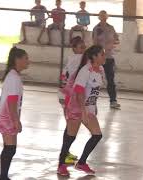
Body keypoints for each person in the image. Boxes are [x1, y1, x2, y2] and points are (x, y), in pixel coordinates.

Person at [57, 45, 105, 176]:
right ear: (94, 57)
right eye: (102, 54)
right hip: (76, 106)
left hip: (88, 107)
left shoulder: (100, 69)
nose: (104, 57)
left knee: (97, 135)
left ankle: (82, 163)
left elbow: (94, 90)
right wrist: (83, 111)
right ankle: (61, 165)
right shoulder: (85, 70)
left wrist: (93, 106)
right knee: (70, 137)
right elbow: (78, 92)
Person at [0, 47, 30, 180]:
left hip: (7, 116)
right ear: (17, 60)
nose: (28, 61)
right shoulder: (13, 77)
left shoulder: (13, 76)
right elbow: (12, 101)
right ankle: (3, 177)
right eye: (26, 58)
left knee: (9, 148)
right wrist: (16, 120)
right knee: (10, 149)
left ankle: (3, 176)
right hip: (7, 117)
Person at [58, 36, 86, 166]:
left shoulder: (72, 59)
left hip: (65, 94)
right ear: (74, 49)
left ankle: (66, 152)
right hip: (68, 96)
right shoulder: (78, 59)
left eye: (84, 47)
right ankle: (63, 156)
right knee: (71, 127)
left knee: (69, 126)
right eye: (81, 47)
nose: (83, 49)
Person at [93, 10, 121, 109]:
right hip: (99, 58)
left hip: (109, 57)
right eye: (101, 16)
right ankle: (92, 100)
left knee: (110, 80)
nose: (103, 17)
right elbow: (95, 43)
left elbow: (117, 40)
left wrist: (112, 44)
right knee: (95, 79)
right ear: (99, 17)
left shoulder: (111, 28)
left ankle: (113, 101)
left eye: (104, 16)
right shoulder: (96, 29)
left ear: (107, 17)